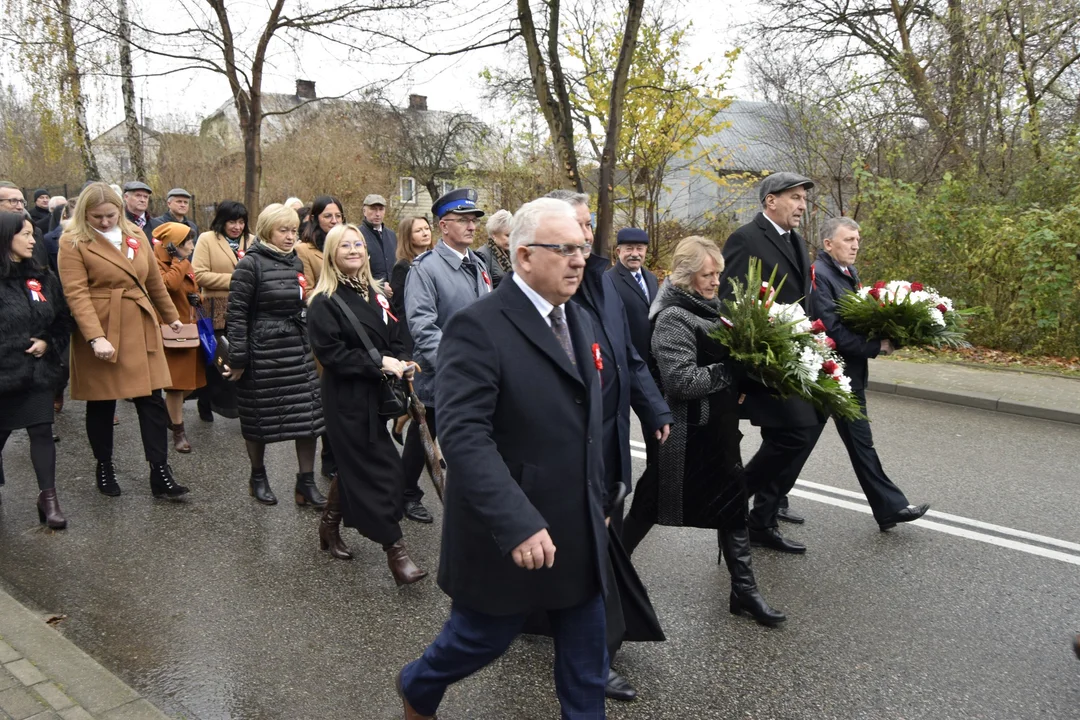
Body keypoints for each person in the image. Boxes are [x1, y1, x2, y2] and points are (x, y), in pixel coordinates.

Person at [398, 197, 609, 720]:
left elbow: (588, 421)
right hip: (509, 530)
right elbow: (464, 435)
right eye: (563, 249)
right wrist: (516, 523)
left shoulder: (578, 317)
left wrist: (602, 495)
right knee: (479, 641)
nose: (579, 259)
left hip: (577, 526)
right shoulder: (478, 327)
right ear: (522, 257)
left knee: (586, 668)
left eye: (581, 248)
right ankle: (417, 685)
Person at [623, 236, 786, 627]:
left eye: (717, 273)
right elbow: (681, 381)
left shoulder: (710, 308)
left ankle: (744, 591)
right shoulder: (673, 316)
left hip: (716, 433)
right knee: (649, 507)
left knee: (733, 507)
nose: (716, 281)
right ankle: (602, 572)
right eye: (707, 275)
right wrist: (734, 371)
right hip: (685, 438)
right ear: (685, 276)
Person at [547, 190, 671, 702]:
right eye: (573, 226)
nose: (583, 235)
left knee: (600, 545)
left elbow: (628, 357)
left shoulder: (605, 280)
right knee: (583, 554)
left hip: (612, 439)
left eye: (587, 224)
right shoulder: (547, 287)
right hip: (567, 446)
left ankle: (576, 641)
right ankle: (592, 660)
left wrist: (655, 408)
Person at [307, 223, 427, 583]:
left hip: (377, 395)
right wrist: (378, 363)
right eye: (345, 246)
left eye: (359, 244)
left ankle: (329, 525)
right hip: (346, 398)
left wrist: (402, 359)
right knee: (384, 471)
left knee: (355, 466)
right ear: (332, 254)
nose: (355, 250)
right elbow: (331, 354)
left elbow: (396, 334)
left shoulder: (377, 294)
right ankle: (397, 553)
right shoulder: (322, 301)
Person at [58, 182, 189, 498]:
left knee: (152, 400)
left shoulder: (136, 235)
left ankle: (160, 472)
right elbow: (76, 293)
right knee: (102, 403)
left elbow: (154, 282)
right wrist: (95, 337)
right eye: (96, 216)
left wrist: (171, 317)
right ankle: (104, 466)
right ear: (84, 214)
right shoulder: (72, 241)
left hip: (140, 323)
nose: (104, 222)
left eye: (110, 215)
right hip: (102, 328)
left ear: (120, 210)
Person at [719, 172, 825, 552]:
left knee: (798, 431)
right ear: (771, 201)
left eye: (803, 199)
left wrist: (816, 340)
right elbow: (730, 304)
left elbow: (802, 298)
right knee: (794, 435)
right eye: (794, 198)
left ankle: (761, 521)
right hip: (765, 363)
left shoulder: (796, 241)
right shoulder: (745, 239)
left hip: (796, 357)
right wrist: (747, 369)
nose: (801, 205)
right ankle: (733, 497)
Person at [810, 217, 930, 530]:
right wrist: (877, 345)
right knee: (795, 445)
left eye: (857, 239)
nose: (855, 245)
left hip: (846, 375)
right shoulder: (819, 275)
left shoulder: (848, 273)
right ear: (828, 244)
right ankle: (762, 504)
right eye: (848, 239)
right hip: (829, 376)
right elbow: (832, 330)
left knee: (859, 443)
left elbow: (854, 321)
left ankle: (889, 507)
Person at [225, 203, 325, 508]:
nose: (290, 236)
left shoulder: (295, 262)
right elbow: (237, 314)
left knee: (308, 419)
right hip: (262, 353)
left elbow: (299, 302)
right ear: (268, 230)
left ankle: (306, 482)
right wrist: (238, 360)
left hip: (296, 349)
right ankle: (258, 477)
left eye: (294, 230)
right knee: (259, 419)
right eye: (284, 230)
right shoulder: (249, 265)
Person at [402, 188, 491, 526]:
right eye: (463, 220)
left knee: (469, 435)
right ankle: (406, 493)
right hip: (443, 373)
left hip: (477, 373)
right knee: (424, 436)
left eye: (473, 220)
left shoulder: (478, 264)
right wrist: (456, 367)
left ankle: (470, 496)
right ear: (443, 225)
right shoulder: (425, 268)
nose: (471, 226)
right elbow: (422, 326)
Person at [0, 213, 70, 528]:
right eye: (25, 234)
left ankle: (49, 498)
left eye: (33, 235)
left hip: (38, 373)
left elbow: (62, 319)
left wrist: (46, 341)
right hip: (3, 376)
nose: (32, 240)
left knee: (41, 430)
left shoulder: (42, 279)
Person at [191, 200, 252, 422]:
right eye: (232, 222)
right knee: (216, 359)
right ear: (221, 221)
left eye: (241, 222)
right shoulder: (207, 239)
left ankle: (239, 407)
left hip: (245, 308)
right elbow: (199, 274)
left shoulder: (251, 241)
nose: (237, 227)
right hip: (214, 308)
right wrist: (237, 280)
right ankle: (205, 402)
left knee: (243, 357)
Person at [152, 222, 207, 454]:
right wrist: (179, 260)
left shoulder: (184, 262)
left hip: (191, 328)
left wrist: (198, 297)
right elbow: (169, 285)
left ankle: (166, 413)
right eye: (187, 243)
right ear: (172, 245)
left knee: (190, 384)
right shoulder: (157, 263)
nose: (192, 247)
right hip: (171, 331)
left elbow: (191, 287)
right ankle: (178, 431)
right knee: (176, 387)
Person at [296, 195, 344, 290]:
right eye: (328, 216)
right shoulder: (303, 250)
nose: (334, 221)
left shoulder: (351, 247)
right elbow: (307, 291)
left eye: (338, 216)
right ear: (315, 218)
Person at [359, 193, 397, 283]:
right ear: (364, 211)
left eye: (381, 209)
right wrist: (381, 286)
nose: (377, 214)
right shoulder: (357, 235)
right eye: (373, 209)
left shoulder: (391, 235)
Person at [475, 208, 512, 289]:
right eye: (507, 235)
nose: (511, 239)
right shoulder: (482, 255)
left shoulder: (510, 253)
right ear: (494, 234)